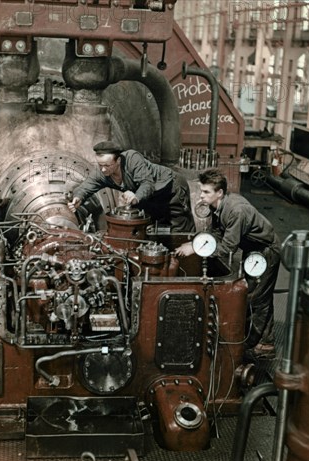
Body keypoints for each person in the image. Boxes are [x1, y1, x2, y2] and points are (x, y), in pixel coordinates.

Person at [175, 169, 280, 359]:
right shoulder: (218, 206)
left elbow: (227, 248)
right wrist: (195, 241)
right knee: (258, 294)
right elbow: (217, 234)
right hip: (252, 249)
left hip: (266, 251)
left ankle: (261, 345)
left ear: (220, 193)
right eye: (201, 191)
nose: (201, 195)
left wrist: (196, 249)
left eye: (206, 192)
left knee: (257, 297)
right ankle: (264, 339)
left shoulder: (236, 210)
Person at [68, 141, 196, 232]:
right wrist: (78, 198)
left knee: (178, 231)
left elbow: (147, 183)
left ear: (118, 161)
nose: (102, 169)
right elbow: (85, 187)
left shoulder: (132, 158)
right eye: (100, 164)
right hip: (148, 197)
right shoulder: (101, 172)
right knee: (151, 230)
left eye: (107, 165)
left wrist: (135, 198)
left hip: (171, 188)